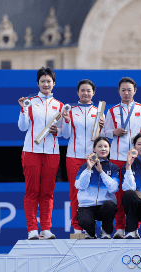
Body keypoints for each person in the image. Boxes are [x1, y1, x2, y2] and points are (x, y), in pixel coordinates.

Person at [103, 77, 141, 239]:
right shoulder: (111, 111)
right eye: (123, 90)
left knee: (136, 194)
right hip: (118, 157)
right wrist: (113, 132)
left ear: (135, 91)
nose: (126, 93)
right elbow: (103, 133)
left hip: (137, 158)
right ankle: (119, 227)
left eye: (129, 90)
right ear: (119, 91)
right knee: (118, 194)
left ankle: (134, 227)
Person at [18, 67, 63, 240]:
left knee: (47, 192)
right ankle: (32, 230)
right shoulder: (30, 102)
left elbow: (64, 133)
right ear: (38, 83)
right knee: (32, 191)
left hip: (52, 152)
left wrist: (57, 130)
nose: (46, 84)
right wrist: (23, 110)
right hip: (31, 151)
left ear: (53, 84)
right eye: (42, 81)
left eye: (49, 81)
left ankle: (46, 228)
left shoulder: (59, 106)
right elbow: (22, 127)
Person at [61, 79, 105, 234]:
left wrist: (101, 127)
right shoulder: (70, 111)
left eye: (88, 90)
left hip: (92, 158)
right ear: (77, 92)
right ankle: (77, 228)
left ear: (93, 93)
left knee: (93, 192)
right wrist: (66, 122)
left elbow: (103, 138)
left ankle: (91, 227)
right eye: (82, 90)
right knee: (75, 192)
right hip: (74, 157)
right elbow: (65, 136)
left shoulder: (99, 112)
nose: (85, 93)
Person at [75, 137, 119, 239]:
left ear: (109, 149)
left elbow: (113, 188)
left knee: (110, 206)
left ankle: (106, 231)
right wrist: (89, 168)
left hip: (105, 205)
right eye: (100, 146)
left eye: (106, 146)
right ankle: (90, 232)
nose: (103, 149)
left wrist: (101, 171)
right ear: (94, 149)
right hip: (87, 205)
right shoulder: (84, 166)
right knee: (85, 221)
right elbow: (80, 186)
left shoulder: (113, 168)